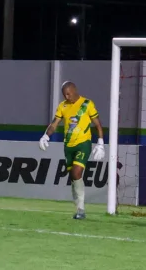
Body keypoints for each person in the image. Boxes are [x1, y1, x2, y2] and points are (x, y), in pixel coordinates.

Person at [39, 81, 105, 219]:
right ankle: (79, 208)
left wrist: (100, 142)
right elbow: (54, 124)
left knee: (76, 172)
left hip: (83, 143)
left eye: (68, 93)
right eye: (64, 94)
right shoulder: (62, 106)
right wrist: (46, 136)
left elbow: (97, 124)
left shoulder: (87, 104)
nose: (67, 96)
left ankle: (81, 210)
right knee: (74, 177)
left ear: (74, 90)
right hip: (68, 146)